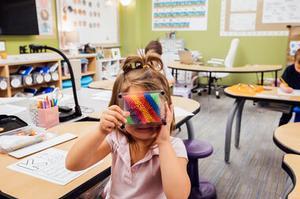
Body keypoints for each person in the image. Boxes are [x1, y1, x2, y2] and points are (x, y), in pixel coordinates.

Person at [66, 54, 191, 199]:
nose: (144, 122)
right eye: (135, 111)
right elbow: (73, 164)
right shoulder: (117, 139)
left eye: (151, 110)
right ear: (118, 108)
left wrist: (163, 142)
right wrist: (100, 130)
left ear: (167, 110)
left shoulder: (173, 147)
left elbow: (179, 196)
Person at [278, 48, 300, 126]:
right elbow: (281, 83)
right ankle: (279, 130)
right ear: (294, 61)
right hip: (290, 99)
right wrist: (285, 88)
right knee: (285, 116)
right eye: (298, 67)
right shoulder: (289, 69)